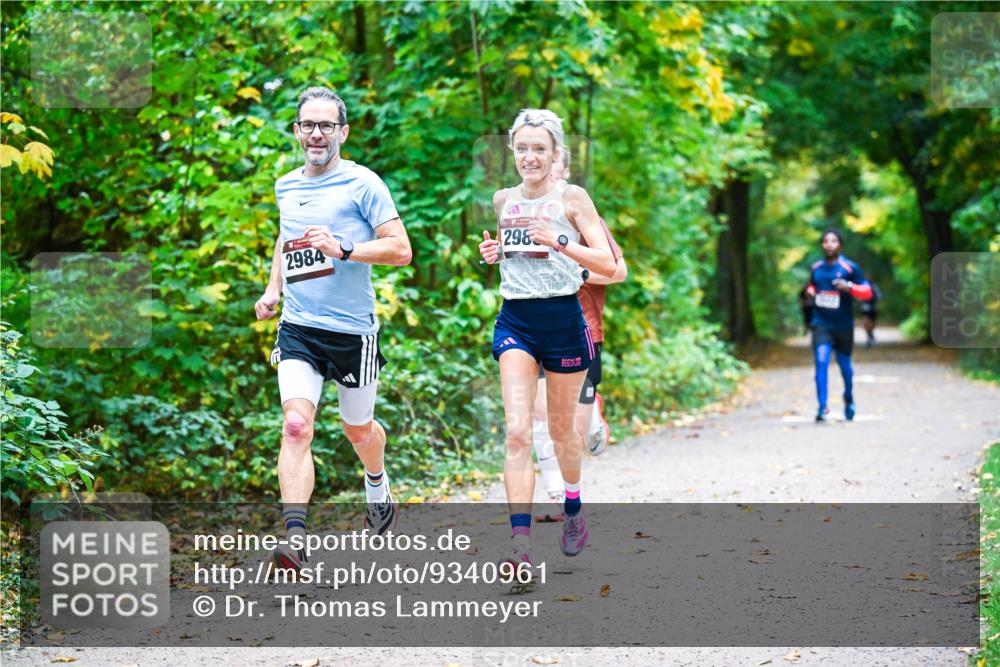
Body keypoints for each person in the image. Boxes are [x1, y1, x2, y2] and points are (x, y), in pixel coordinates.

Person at [255, 86, 412, 570]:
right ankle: (295, 538)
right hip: (299, 325)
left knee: (357, 428)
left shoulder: (364, 184)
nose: (316, 133)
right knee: (296, 426)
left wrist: (343, 248)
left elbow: (401, 249)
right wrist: (272, 288)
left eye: (326, 125)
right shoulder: (286, 185)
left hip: (353, 332)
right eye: (308, 124)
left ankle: (377, 483)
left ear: (342, 131)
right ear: (297, 131)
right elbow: (287, 238)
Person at [478, 109, 616, 569]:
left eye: (540, 149)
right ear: (512, 152)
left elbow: (609, 265)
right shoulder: (503, 200)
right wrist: (497, 252)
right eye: (522, 148)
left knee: (562, 434)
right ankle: (519, 549)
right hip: (515, 320)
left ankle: (574, 506)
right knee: (517, 432)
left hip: (563, 318)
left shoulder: (572, 197)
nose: (530, 157)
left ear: (556, 153)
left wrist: (561, 240)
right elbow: (519, 255)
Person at [533, 147, 627, 509]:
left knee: (575, 428)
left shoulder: (582, 214)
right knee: (541, 411)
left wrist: (579, 270)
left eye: (553, 163)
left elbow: (619, 271)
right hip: (536, 325)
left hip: (581, 327)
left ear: (565, 170)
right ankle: (555, 490)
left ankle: (593, 418)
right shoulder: (522, 211)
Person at [803, 228, 872, 423]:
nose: (829, 244)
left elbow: (867, 292)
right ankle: (822, 406)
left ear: (840, 244)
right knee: (821, 360)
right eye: (825, 241)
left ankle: (848, 398)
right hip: (821, 323)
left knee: (845, 368)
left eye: (833, 241)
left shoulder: (850, 268)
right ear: (822, 245)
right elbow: (812, 286)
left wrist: (849, 287)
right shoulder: (816, 268)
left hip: (843, 325)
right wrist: (810, 291)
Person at [860, 282, 883, 347]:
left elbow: (880, 296)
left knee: (872, 323)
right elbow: (858, 295)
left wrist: (874, 299)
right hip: (865, 308)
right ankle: (869, 336)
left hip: (873, 308)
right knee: (865, 322)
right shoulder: (862, 286)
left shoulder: (874, 286)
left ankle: (871, 336)